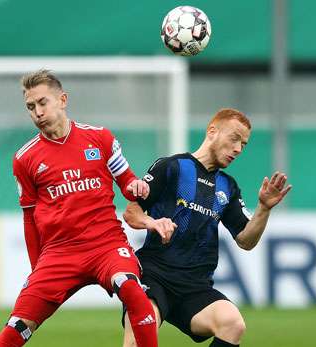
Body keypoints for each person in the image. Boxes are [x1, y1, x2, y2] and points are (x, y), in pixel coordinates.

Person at [0, 70, 158, 347]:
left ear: (63, 99)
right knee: (16, 328)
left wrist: (136, 187)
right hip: (59, 253)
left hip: (106, 244)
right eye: (30, 107)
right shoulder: (25, 158)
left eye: (43, 103)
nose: (37, 112)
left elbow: (126, 182)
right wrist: (37, 270)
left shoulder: (100, 138)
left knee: (132, 289)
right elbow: (30, 218)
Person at [122, 108, 291, 347]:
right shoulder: (171, 167)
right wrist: (153, 222)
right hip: (154, 274)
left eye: (243, 144)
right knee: (140, 334)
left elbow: (245, 240)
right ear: (212, 131)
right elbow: (132, 212)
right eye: (234, 139)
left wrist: (264, 208)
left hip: (194, 285)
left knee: (232, 324)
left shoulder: (228, 187)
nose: (238, 149)